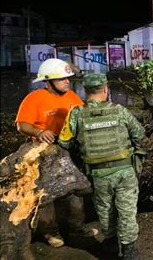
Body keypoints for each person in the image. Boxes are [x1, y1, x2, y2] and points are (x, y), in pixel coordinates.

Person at [59, 73, 146, 260]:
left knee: (105, 210)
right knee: (127, 211)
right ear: (106, 88)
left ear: (85, 91)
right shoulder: (120, 111)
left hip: (99, 174)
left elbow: (64, 142)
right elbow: (139, 134)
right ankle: (129, 251)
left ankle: (111, 245)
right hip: (124, 171)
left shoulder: (76, 114)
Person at [15, 58, 97, 248]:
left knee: (75, 190)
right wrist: (39, 132)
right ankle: (50, 233)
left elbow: (83, 115)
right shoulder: (34, 99)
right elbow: (21, 124)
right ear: (48, 81)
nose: (67, 82)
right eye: (62, 79)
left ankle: (77, 228)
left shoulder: (71, 97)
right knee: (46, 195)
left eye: (67, 78)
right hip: (44, 154)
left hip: (68, 151)